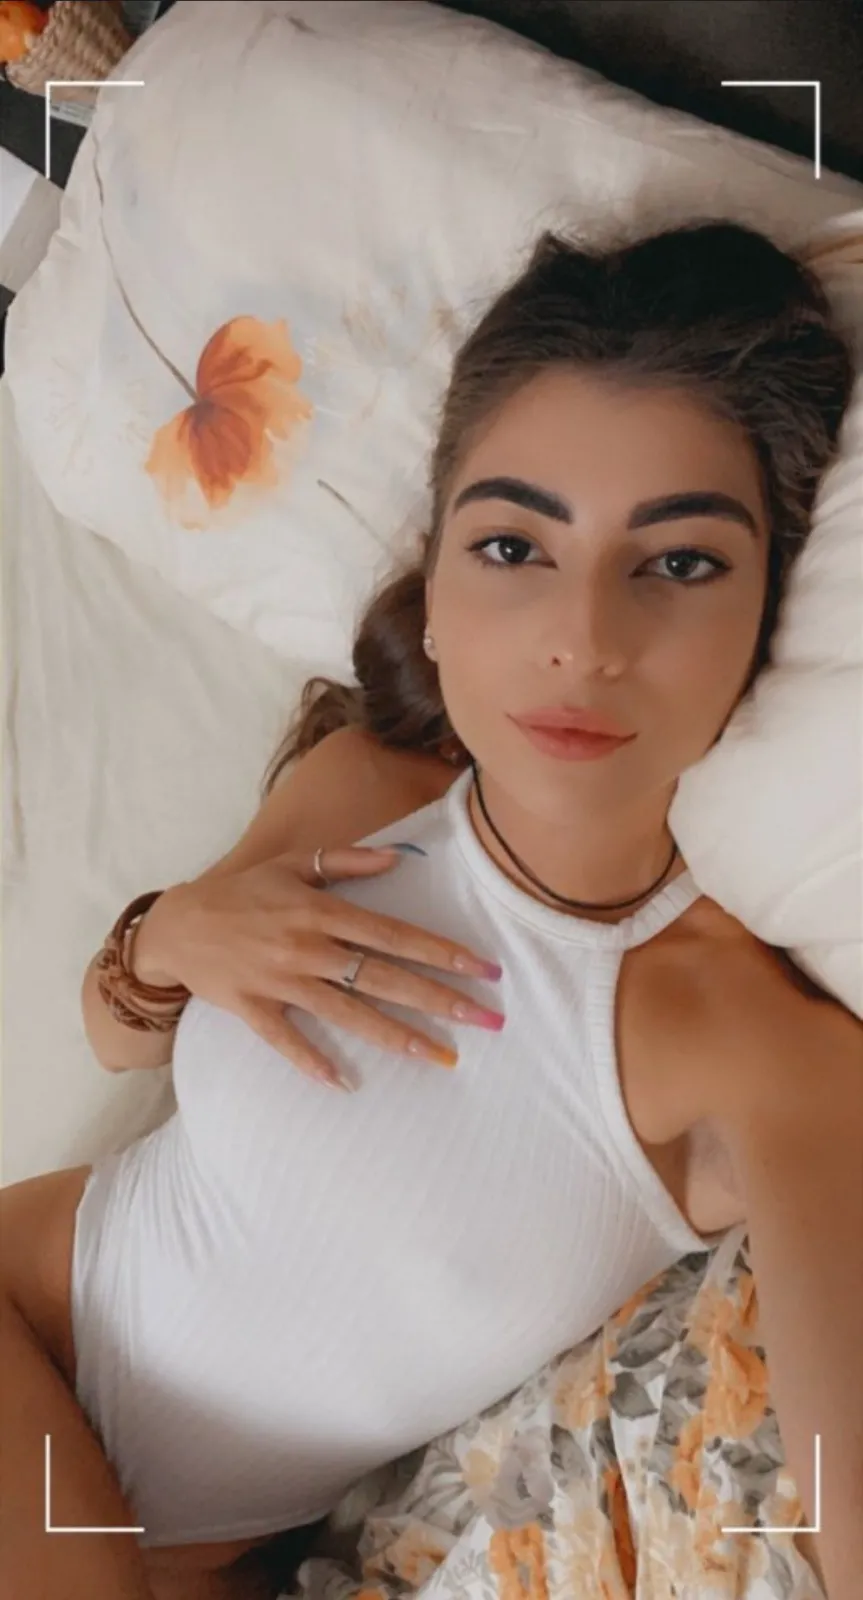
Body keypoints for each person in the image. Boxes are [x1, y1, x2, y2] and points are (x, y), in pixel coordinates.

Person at [1, 220, 860, 1600]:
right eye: (515, 546)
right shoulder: (362, 792)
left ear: (766, 619)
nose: (583, 637)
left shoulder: (758, 1054)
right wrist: (168, 936)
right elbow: (114, 1036)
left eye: (680, 563)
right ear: (439, 595)